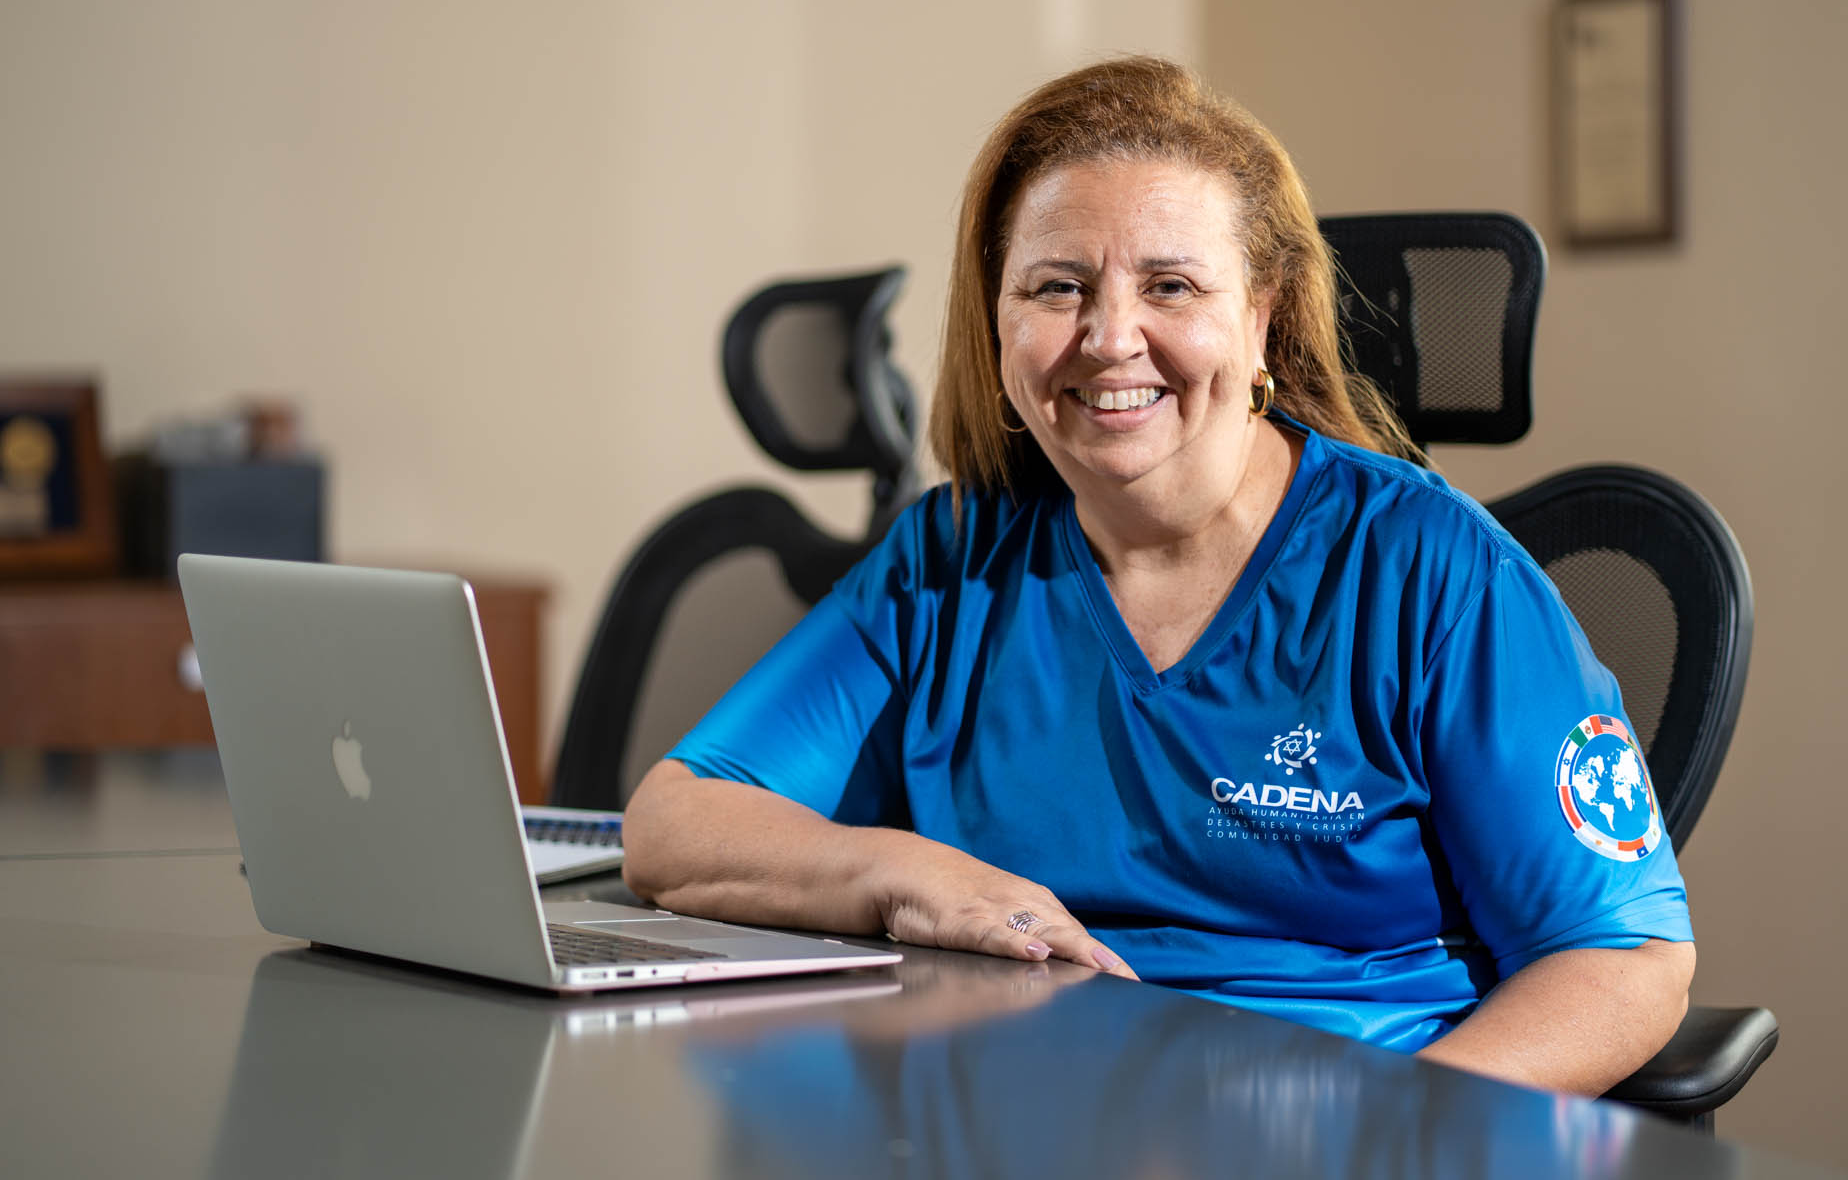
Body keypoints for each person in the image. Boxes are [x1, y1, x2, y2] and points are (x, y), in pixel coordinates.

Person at [623, 56, 1694, 1094]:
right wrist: (907, 876)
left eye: (1170, 285)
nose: (1108, 338)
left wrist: (1392, 1142)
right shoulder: (947, 562)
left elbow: (1625, 961)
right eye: (1057, 287)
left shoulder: (1434, 573)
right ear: (996, 319)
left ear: (1261, 314)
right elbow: (675, 824)